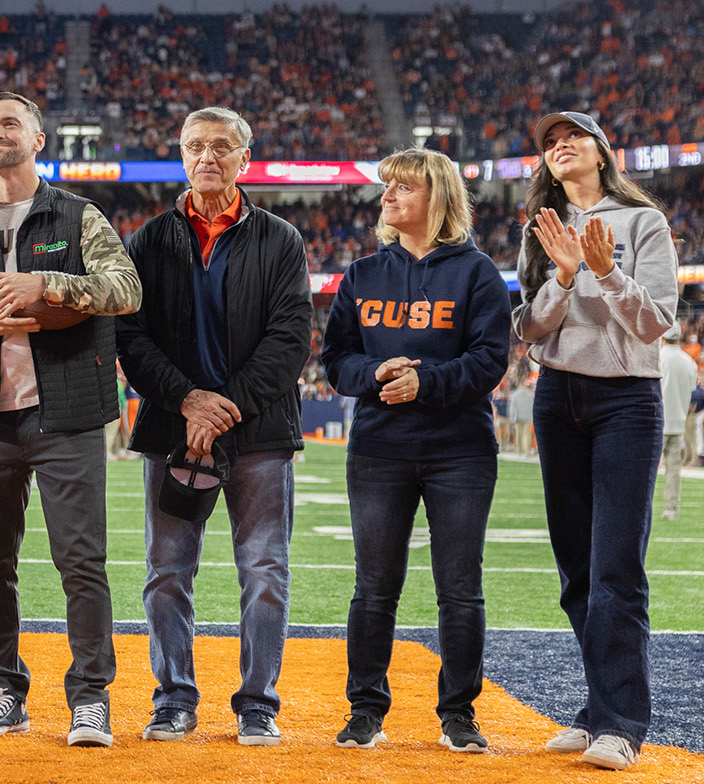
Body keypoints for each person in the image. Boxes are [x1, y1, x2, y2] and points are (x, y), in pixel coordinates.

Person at [0, 92, 140, 746]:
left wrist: (45, 285)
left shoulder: (77, 215)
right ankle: (4, 688)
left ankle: (91, 695)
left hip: (67, 414)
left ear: (38, 138)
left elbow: (124, 289)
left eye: (9, 122)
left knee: (81, 561)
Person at [116, 106, 311, 747]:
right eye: (196, 146)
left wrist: (222, 406)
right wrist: (186, 401)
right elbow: (131, 338)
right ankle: (174, 698)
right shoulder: (146, 240)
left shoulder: (281, 238)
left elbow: (290, 341)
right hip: (173, 430)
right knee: (166, 571)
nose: (208, 157)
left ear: (243, 159)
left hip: (257, 432)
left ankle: (257, 704)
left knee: (264, 572)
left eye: (221, 147)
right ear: (182, 156)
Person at [320, 148, 511, 753]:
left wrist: (427, 381)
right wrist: (375, 374)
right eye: (387, 189)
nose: (388, 198)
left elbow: (490, 360)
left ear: (437, 196)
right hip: (379, 448)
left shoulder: (477, 272)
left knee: (460, 587)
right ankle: (365, 710)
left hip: (461, 451)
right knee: (373, 586)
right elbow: (336, 361)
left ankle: (459, 714)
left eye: (402, 188)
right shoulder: (362, 274)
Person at [514, 111, 678, 771]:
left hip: (623, 400)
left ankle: (621, 723)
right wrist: (560, 274)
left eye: (572, 138)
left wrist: (606, 273)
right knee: (577, 570)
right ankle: (596, 710)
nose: (561, 148)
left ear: (601, 152)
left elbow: (655, 323)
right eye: (551, 143)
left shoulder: (645, 223)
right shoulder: (542, 229)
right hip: (557, 396)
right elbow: (528, 328)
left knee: (616, 566)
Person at [658, 331, 694, 520]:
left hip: (658, 421)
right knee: (674, 470)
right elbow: (691, 393)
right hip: (678, 422)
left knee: (646, 472)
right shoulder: (689, 361)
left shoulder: (659, 357)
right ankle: (671, 509)